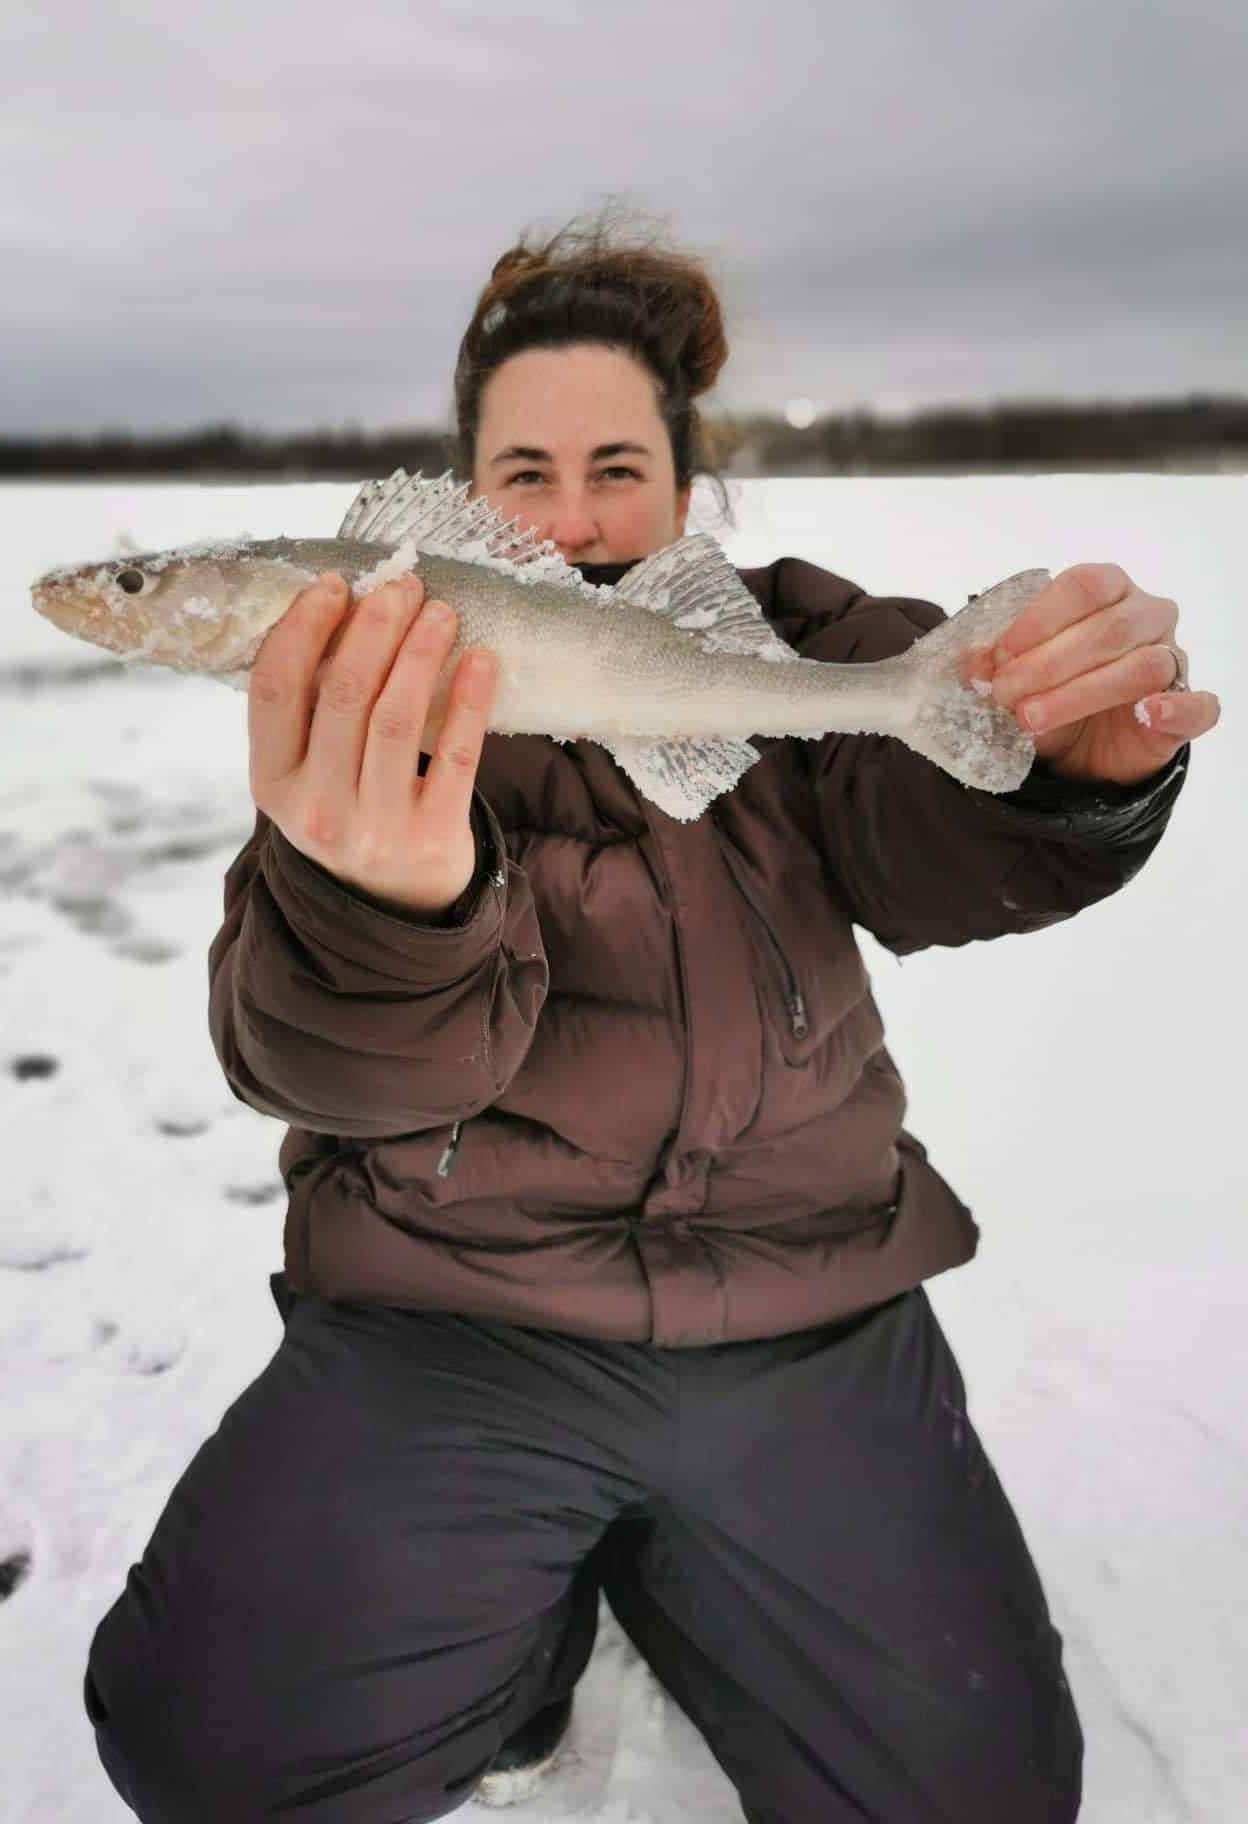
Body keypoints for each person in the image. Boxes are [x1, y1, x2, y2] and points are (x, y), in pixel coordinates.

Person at [83, 215, 1219, 1824]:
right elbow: (301, 1051)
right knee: (215, 1746)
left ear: (685, 490)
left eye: (617, 465)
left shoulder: (795, 645)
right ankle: (527, 1622)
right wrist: (377, 904)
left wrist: (1067, 776)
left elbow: (925, 821)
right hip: (452, 1308)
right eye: (522, 472)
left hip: (809, 1312)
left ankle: (678, 1557)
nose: (573, 511)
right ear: (465, 491)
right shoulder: (371, 707)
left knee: (982, 1798)